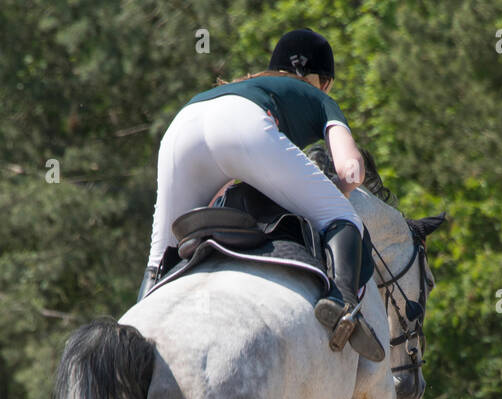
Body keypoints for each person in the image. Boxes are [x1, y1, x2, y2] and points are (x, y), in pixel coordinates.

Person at [137, 28, 382, 360]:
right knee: (343, 216)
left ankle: (135, 334)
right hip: (244, 126)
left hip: (182, 126)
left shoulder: (247, 85)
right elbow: (350, 170)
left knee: (160, 255)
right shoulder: (319, 98)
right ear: (321, 80)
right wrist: (335, 193)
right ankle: (343, 306)